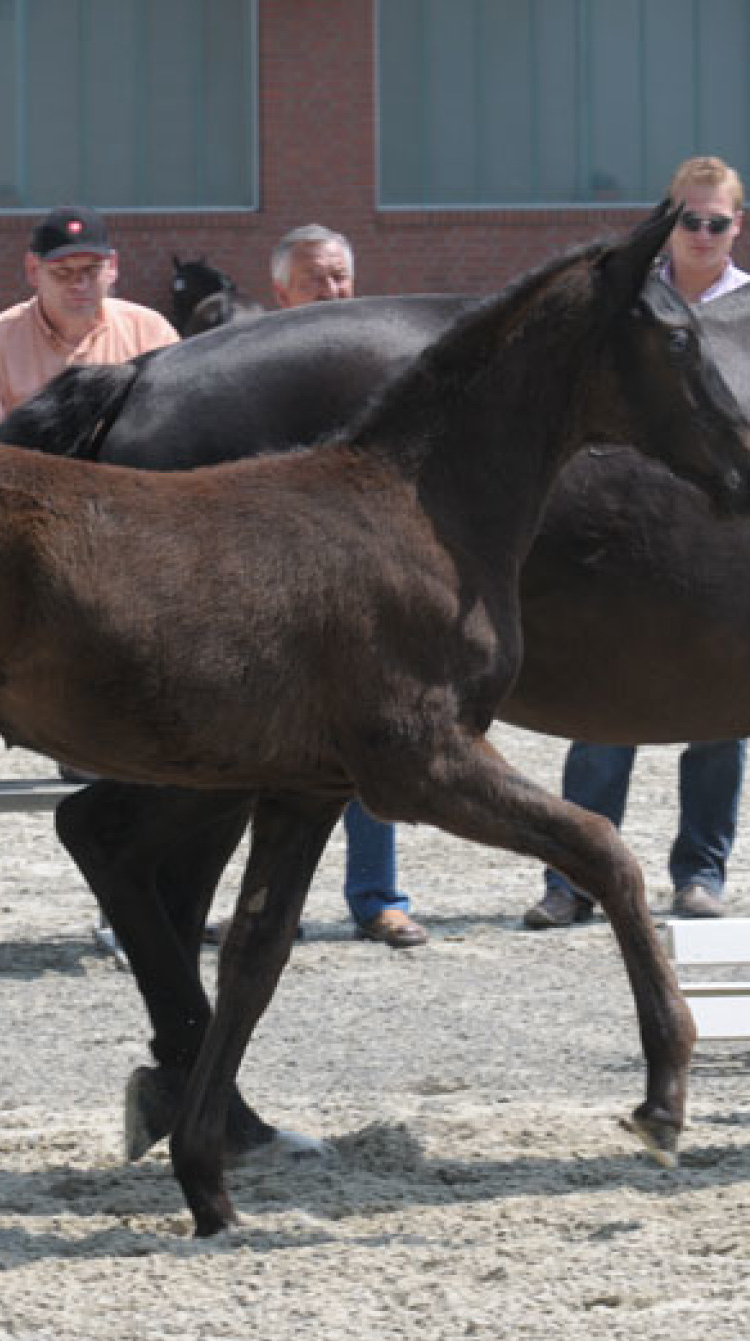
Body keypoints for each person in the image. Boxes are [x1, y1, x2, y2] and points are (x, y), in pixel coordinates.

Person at [524, 155, 750, 930]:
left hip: (721, 543)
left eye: (715, 222)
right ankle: (574, 881)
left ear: (737, 226)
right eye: (688, 219)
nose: (701, 233)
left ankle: (701, 874)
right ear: (666, 220)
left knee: (721, 718)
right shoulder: (625, 302)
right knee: (602, 715)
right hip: (629, 532)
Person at [274, 223, 428, 950]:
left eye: (339, 276)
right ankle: (274, 905)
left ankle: (378, 898)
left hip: (366, 587)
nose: (332, 291)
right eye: (315, 278)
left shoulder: (380, 365)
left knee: (374, 744)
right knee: (274, 757)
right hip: (280, 584)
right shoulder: (256, 370)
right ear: (282, 291)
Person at [0, 205, 178, 439]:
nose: (79, 284)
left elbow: (176, 432)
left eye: (91, 270)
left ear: (112, 267)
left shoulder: (151, 335)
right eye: (62, 272)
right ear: (33, 270)